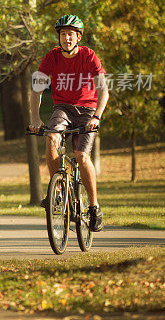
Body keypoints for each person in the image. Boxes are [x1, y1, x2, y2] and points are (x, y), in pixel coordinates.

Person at [29, 14, 109, 232]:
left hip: (88, 110)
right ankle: (58, 191)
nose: (66, 38)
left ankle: (94, 207)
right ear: (59, 37)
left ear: (78, 37)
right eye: (63, 34)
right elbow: (37, 89)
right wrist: (35, 119)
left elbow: (104, 90)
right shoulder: (51, 57)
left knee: (82, 156)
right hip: (62, 108)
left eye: (71, 34)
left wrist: (97, 117)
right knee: (52, 137)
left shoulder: (89, 56)